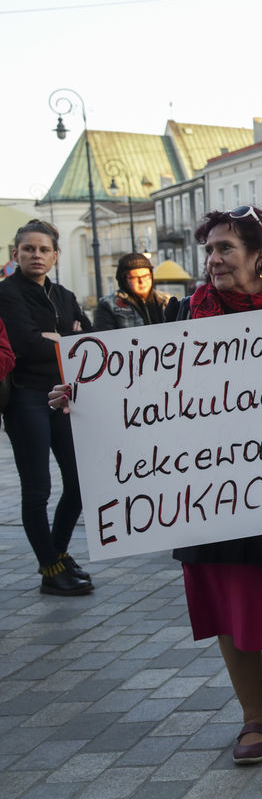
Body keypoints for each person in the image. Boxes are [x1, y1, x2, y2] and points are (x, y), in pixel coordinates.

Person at [50, 206, 262, 763]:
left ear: (261, 255)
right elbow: (146, 392)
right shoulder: (190, 315)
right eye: (209, 250)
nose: (212, 260)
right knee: (227, 594)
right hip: (211, 487)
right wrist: (85, 399)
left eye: (224, 249)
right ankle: (252, 716)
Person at [0, 220, 93, 595]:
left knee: (79, 483)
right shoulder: (7, 293)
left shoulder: (64, 295)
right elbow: (24, 345)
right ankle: (50, 567)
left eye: (43, 250)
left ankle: (57, 554)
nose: (36, 255)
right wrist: (65, 340)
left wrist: (60, 339)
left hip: (64, 398)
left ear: (55, 255)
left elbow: (89, 341)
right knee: (37, 489)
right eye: (28, 249)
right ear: (16, 254)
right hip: (26, 398)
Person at [93, 253, 173, 329]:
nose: (141, 281)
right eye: (134, 277)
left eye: (145, 276)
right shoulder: (108, 305)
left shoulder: (166, 300)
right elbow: (105, 338)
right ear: (124, 280)